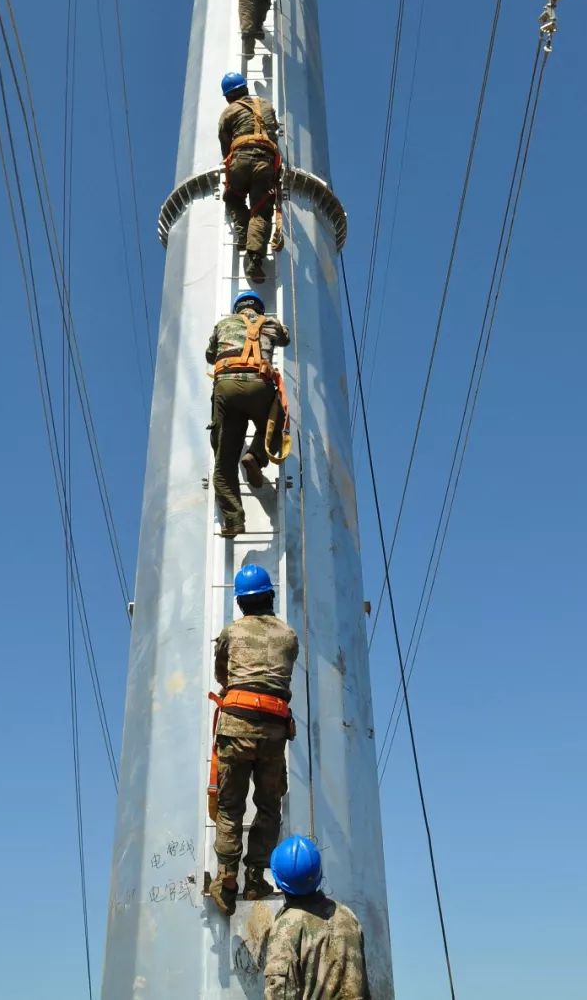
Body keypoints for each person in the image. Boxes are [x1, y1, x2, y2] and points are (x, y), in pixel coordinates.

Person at [208, 564, 299, 916]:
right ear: (270, 596)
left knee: (231, 806)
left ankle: (227, 878)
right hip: (273, 735)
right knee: (268, 806)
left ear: (241, 603)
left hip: (235, 728)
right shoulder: (288, 635)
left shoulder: (231, 633)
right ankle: (256, 876)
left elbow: (222, 674)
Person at [206, 290, 290, 537]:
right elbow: (285, 338)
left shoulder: (223, 324)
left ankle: (233, 520)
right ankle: (255, 456)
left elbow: (210, 356)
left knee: (224, 461)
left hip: (226, 389)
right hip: (258, 385)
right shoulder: (269, 323)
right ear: (259, 309)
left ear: (237, 309)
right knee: (276, 425)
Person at [263, 836, 372, 999]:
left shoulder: (286, 927)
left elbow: (279, 993)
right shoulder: (347, 917)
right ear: (318, 874)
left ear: (279, 883)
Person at [219, 70, 281, 285]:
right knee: (261, 211)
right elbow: (273, 132)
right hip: (265, 162)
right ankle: (254, 259)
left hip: (241, 159)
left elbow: (225, 145)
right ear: (245, 88)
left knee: (233, 198)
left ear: (228, 96)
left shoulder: (229, 112)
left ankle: (243, 233)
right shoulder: (265, 104)